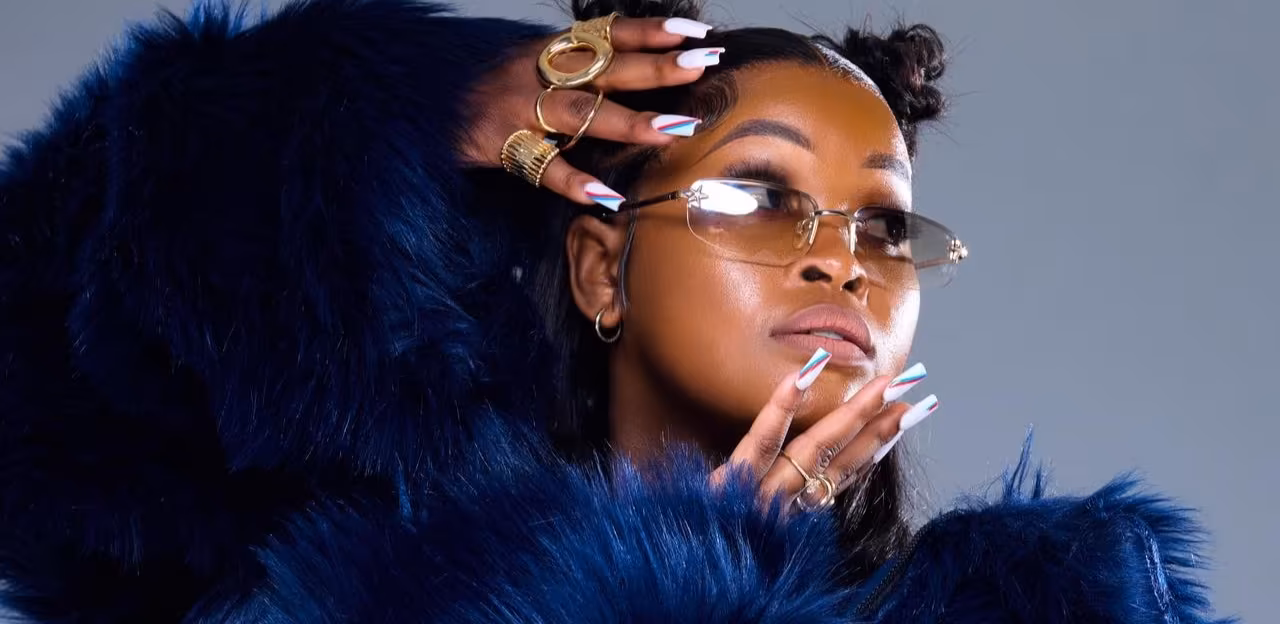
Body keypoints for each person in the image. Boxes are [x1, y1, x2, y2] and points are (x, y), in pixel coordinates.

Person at [0, 0, 1224, 621]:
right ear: (599, 269)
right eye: (759, 195)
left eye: (884, 226)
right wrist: (379, 114)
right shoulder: (341, 568)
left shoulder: (1044, 604)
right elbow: (36, 367)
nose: (841, 262)